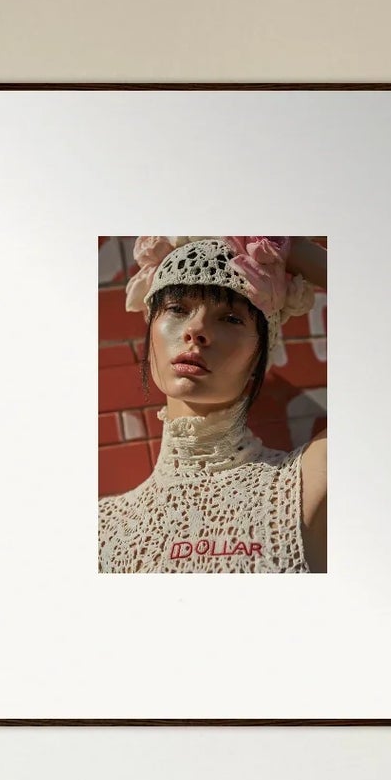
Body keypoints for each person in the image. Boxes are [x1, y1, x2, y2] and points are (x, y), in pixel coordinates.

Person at [98, 236, 327, 575]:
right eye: (177, 309)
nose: (196, 329)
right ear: (150, 334)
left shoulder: (305, 485)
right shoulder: (103, 528)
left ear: (259, 356)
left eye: (232, 318)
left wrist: (285, 244)